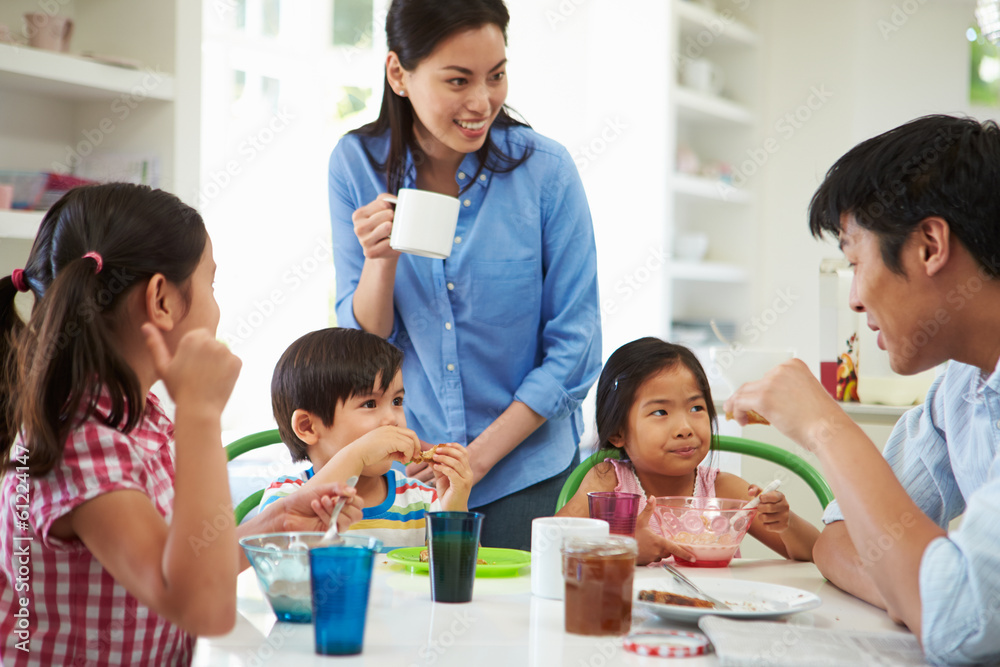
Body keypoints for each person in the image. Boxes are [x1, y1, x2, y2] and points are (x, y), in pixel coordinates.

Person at [0, 184, 361, 665]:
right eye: (211, 285)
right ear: (161, 301)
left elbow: (183, 568)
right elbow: (203, 608)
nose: (216, 306)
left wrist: (270, 523)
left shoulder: (136, 417)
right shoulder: (84, 442)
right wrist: (201, 413)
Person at [723, 115, 1000, 665]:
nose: (852, 298)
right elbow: (835, 538)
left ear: (928, 245)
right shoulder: (959, 389)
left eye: (855, 262)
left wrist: (825, 426)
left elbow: (959, 625)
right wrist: (913, 591)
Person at [328, 0, 601, 549]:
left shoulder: (545, 171)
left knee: (514, 629)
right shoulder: (355, 163)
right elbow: (364, 344)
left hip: (527, 473)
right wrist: (381, 262)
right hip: (409, 475)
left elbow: (576, 348)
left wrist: (473, 460)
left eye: (496, 76)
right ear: (398, 74)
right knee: (410, 625)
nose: (483, 102)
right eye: (458, 80)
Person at [557, 337, 818, 565]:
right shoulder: (608, 483)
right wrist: (623, 548)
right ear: (617, 432)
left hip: (711, 614)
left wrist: (785, 523)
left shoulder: (723, 492)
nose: (685, 428)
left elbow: (814, 552)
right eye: (660, 412)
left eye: (696, 408)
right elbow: (551, 543)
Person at [259, 327, 473, 548]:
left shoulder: (424, 502)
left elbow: (461, 576)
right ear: (308, 427)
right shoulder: (285, 499)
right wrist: (357, 456)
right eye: (370, 404)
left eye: (397, 401)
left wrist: (454, 511)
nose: (392, 419)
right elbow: (275, 561)